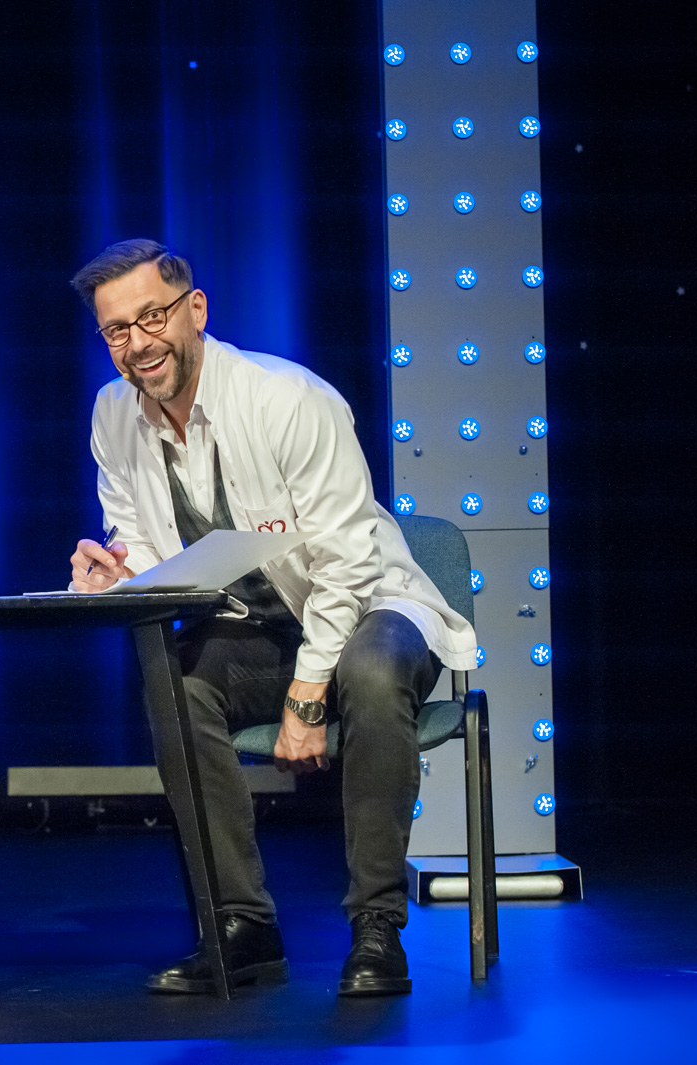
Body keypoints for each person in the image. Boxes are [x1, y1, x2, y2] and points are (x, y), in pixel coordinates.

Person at [66, 239, 477, 996]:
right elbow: (148, 547)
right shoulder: (113, 414)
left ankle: (377, 927)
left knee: (372, 668)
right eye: (116, 329)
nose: (138, 344)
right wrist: (116, 576)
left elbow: (348, 565)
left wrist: (306, 696)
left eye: (152, 317)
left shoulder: (288, 399)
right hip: (261, 629)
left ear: (195, 309)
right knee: (178, 680)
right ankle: (240, 924)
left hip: (374, 606)